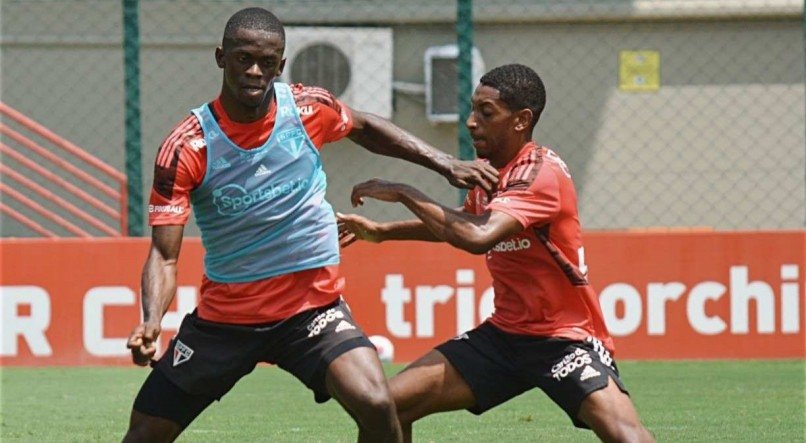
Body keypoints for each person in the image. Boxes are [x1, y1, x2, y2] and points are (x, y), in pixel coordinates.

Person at [122, 7, 497, 443]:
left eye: (267, 61)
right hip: (225, 320)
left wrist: (446, 162)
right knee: (145, 433)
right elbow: (165, 256)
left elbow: (367, 127)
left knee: (377, 403)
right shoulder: (187, 147)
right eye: (244, 58)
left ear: (282, 65)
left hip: (311, 309)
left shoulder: (306, 108)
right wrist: (151, 320)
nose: (255, 71)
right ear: (221, 57)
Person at [338, 64, 654, 442]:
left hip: (564, 339)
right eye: (472, 110)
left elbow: (477, 236)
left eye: (486, 113)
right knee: (385, 406)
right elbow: (464, 222)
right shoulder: (491, 171)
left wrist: (406, 192)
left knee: (626, 436)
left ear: (521, 120)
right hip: (504, 337)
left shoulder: (540, 175)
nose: (472, 122)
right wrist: (382, 232)